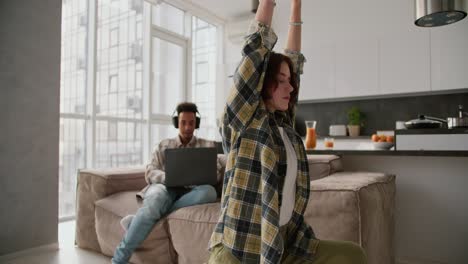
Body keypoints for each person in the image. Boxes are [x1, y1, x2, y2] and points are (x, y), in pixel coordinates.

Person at [209, 0, 367, 263]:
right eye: (280, 81)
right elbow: (254, 51)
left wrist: (296, 6)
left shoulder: (283, 125)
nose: (290, 87)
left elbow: (293, 58)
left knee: (352, 256)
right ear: (262, 82)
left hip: (285, 244)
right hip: (239, 248)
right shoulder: (243, 121)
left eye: (290, 81)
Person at [112, 102, 218, 264]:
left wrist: (200, 177)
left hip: (192, 191)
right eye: (183, 123)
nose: (188, 127)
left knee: (209, 192)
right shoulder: (164, 145)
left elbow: (215, 173)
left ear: (197, 123)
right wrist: (168, 178)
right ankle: (118, 260)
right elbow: (150, 171)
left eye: (191, 123)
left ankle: (139, 221)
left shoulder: (207, 146)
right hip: (164, 187)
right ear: (177, 123)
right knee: (156, 199)